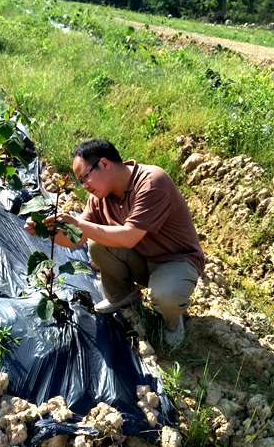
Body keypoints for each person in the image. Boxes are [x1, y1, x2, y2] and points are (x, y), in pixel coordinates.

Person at [24, 139, 204, 347]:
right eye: (80, 182)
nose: (84, 186)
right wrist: (44, 231)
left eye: (84, 178)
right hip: (143, 258)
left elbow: (128, 236)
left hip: (176, 261)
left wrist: (79, 224)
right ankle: (122, 296)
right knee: (96, 244)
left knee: (165, 296)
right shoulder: (100, 198)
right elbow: (77, 239)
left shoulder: (152, 182)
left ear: (104, 164)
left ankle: (173, 321)